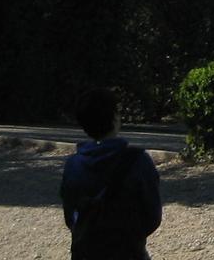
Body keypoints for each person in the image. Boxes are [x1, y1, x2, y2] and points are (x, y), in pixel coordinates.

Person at [61, 86, 162, 260]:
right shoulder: (138, 160)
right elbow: (152, 215)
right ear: (115, 118)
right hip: (128, 250)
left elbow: (70, 214)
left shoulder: (73, 165)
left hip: (87, 251)